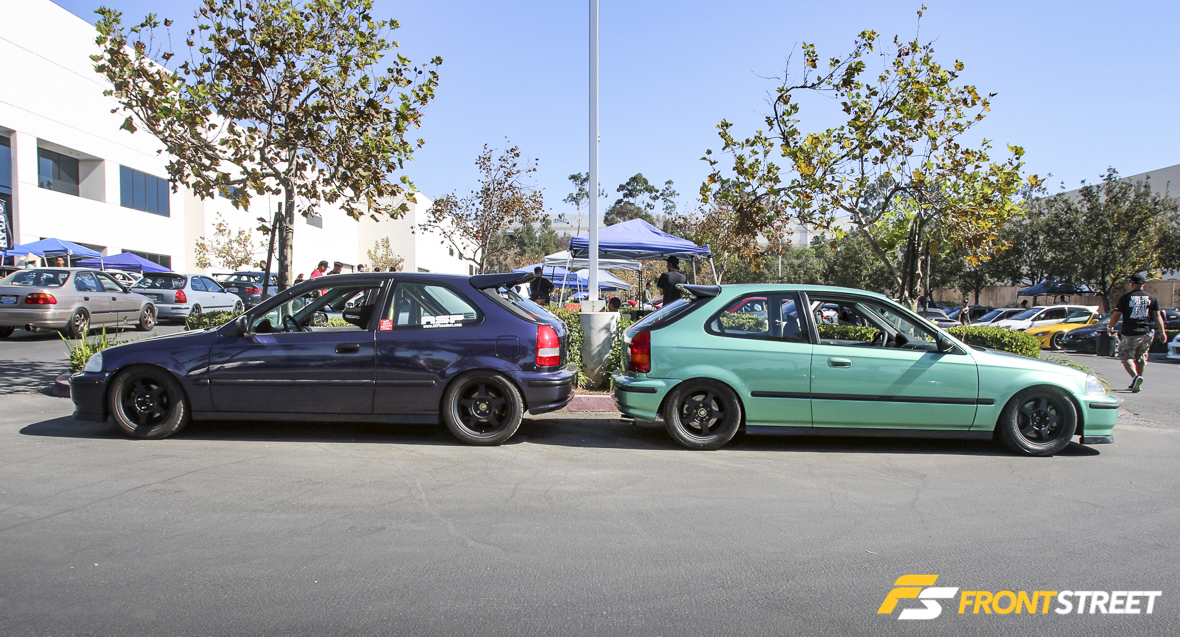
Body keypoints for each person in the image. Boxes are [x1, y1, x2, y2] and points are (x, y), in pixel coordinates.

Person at [1107, 273, 1167, 393]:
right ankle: (1138, 381)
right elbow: (1157, 316)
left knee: (1126, 356)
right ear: (1143, 284)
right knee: (1141, 357)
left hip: (1130, 333)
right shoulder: (1152, 298)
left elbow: (1116, 315)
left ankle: (1135, 378)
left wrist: (1110, 326)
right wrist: (1162, 332)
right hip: (1146, 332)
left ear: (1131, 284)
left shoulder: (1125, 298)